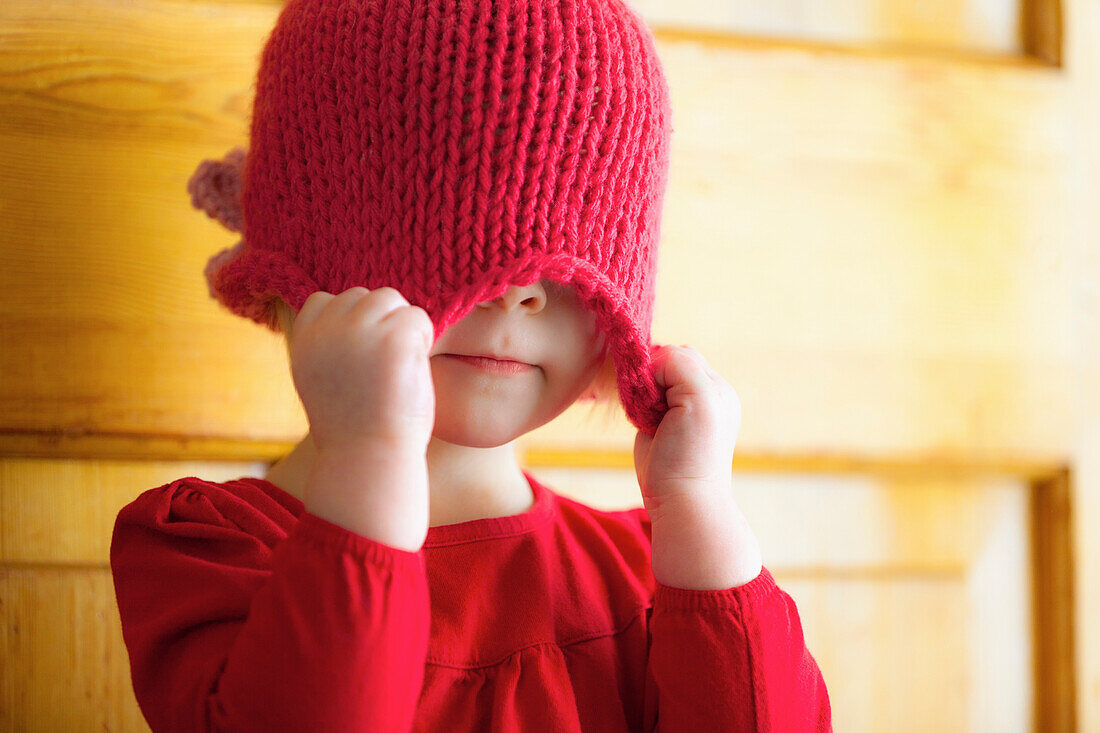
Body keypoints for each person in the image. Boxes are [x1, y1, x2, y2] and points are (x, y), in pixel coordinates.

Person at [110, 0, 833, 730]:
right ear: (309, 260)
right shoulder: (207, 552)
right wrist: (367, 455)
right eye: (455, 242)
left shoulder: (653, 574)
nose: (517, 292)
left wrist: (698, 507)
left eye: (569, 266)